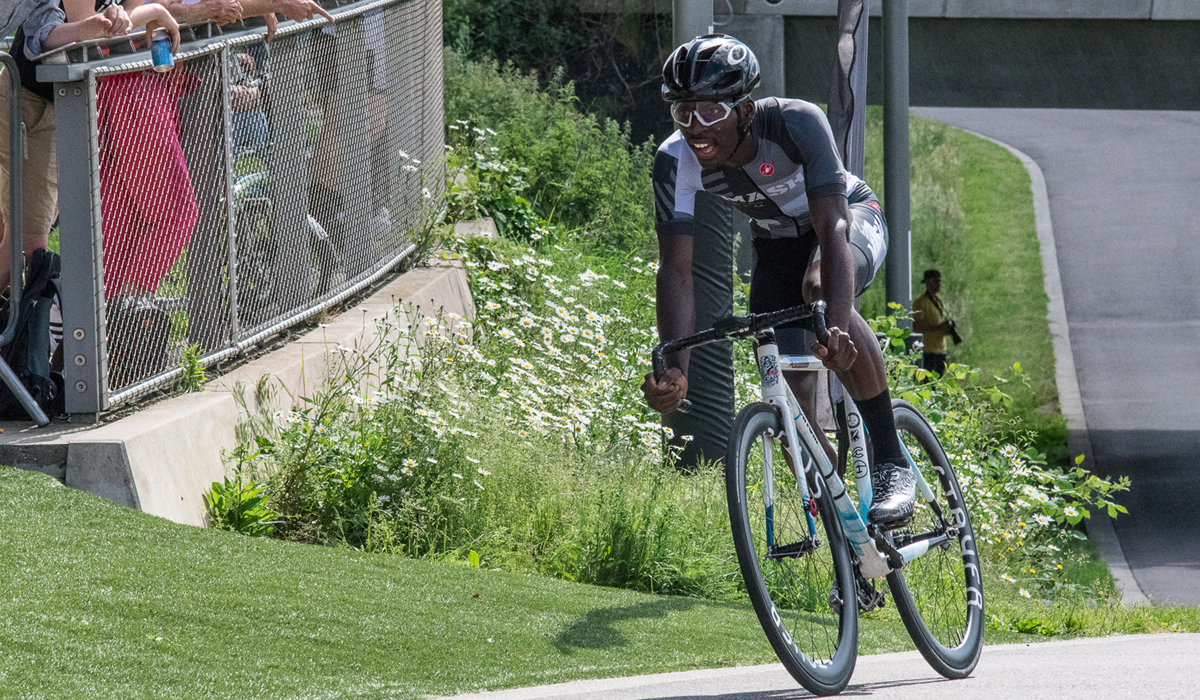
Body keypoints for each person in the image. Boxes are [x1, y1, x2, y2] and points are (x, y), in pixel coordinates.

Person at [640, 34, 915, 527]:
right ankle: (852, 544)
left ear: (744, 111)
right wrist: (676, 366)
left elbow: (832, 228)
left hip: (846, 219)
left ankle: (891, 458)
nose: (693, 129)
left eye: (707, 112)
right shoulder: (673, 159)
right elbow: (676, 270)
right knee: (789, 408)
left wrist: (836, 324)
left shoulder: (796, 121)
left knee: (818, 292)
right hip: (777, 246)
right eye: (681, 113)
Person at [912, 268, 958, 377]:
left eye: (939, 281)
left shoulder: (938, 301)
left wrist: (947, 330)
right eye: (934, 281)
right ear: (927, 283)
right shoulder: (920, 303)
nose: (938, 284)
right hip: (928, 350)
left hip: (940, 350)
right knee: (928, 383)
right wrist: (938, 328)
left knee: (937, 382)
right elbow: (916, 327)